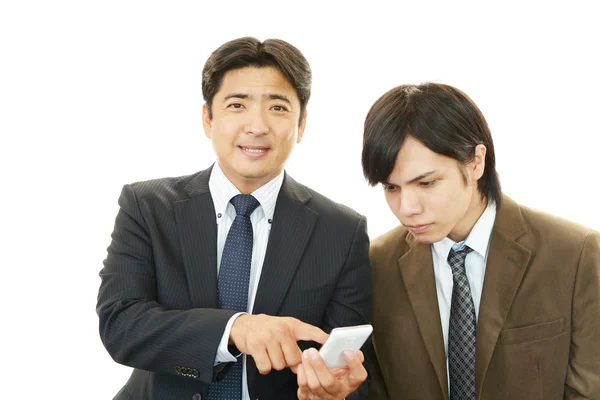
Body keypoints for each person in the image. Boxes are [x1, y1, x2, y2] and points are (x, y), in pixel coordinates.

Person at [97, 37, 371, 400]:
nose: (256, 126)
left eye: (277, 107)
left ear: (302, 124)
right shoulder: (147, 206)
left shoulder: (342, 231)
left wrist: (335, 392)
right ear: (208, 118)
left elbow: (348, 367)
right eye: (237, 104)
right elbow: (120, 323)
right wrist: (236, 329)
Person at [362, 82, 600, 399]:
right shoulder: (376, 264)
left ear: (475, 162)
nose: (407, 209)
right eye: (391, 188)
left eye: (427, 183)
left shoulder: (576, 254)